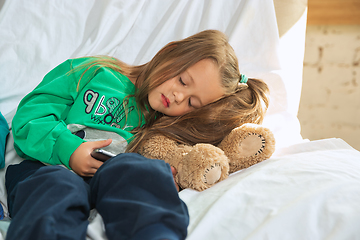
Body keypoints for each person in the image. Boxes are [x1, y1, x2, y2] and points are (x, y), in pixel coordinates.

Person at [5, 30, 269, 240]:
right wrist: (69, 149)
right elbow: (31, 115)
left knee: (142, 173)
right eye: (182, 81)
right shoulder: (93, 71)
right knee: (58, 186)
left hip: (111, 174)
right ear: (170, 52)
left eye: (192, 103)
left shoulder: (167, 124)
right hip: (47, 167)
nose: (178, 97)